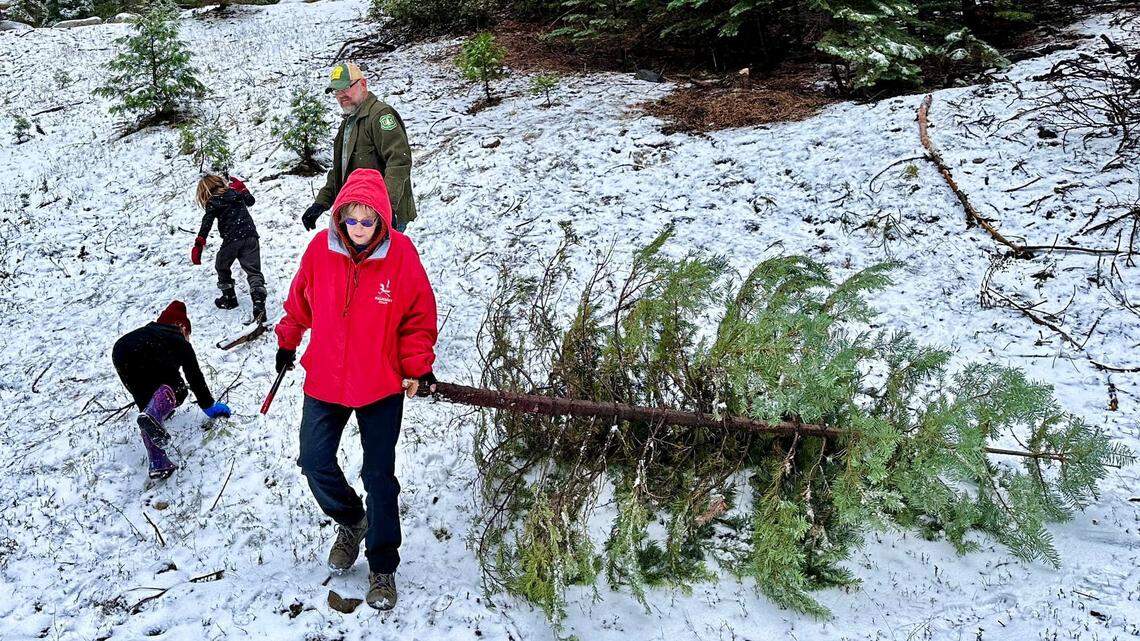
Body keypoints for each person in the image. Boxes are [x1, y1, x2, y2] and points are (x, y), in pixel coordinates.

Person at [276, 168, 438, 611]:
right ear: (340, 217)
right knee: (313, 460)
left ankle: (382, 565)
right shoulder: (320, 250)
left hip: (380, 383)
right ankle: (352, 520)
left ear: (383, 219)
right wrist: (288, 339)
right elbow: (299, 301)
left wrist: (417, 366)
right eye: (352, 220)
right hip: (326, 378)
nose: (361, 229)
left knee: (379, 477)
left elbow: (418, 318)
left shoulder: (401, 255)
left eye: (369, 221)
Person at [111, 301, 232, 479]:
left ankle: (158, 463)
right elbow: (194, 375)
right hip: (142, 349)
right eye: (188, 334)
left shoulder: (149, 332)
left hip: (121, 350)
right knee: (178, 389)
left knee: (147, 405)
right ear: (182, 327)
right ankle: (153, 417)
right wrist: (208, 405)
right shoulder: (177, 339)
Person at [301, 61, 417, 234]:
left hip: (380, 216)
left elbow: (399, 162)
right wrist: (320, 203)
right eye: (336, 91)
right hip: (357, 215)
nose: (341, 95)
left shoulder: (380, 116)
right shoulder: (348, 124)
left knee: (383, 261)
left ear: (363, 84)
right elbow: (341, 170)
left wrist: (386, 206)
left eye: (346, 87)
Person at [192, 174, 268, 324]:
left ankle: (229, 298)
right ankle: (259, 305)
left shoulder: (213, 202)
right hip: (250, 236)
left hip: (232, 240)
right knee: (253, 271)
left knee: (221, 265)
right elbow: (251, 201)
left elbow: (206, 223)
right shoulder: (235, 193)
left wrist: (200, 242)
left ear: (204, 191)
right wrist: (243, 189)